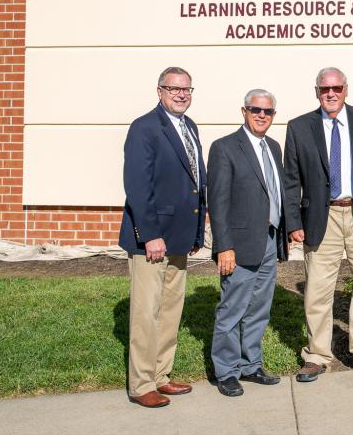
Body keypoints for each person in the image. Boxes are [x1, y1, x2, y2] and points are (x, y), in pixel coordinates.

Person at [282, 67, 353, 381]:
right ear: (317, 91)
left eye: (337, 88)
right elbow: (290, 180)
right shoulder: (300, 127)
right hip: (320, 216)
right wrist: (293, 221)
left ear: (345, 89)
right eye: (325, 89)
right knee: (317, 289)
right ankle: (316, 355)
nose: (331, 93)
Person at [118, 67, 205, 408]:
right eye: (174, 89)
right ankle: (141, 385)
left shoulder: (189, 126)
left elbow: (197, 182)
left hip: (181, 238)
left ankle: (161, 376)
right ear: (160, 91)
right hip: (152, 241)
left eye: (187, 89)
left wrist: (197, 231)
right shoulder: (144, 128)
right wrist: (150, 235)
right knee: (146, 312)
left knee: (170, 311)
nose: (181, 94)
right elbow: (138, 187)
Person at [207, 89, 285, 397]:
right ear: (244, 111)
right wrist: (223, 246)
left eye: (267, 112)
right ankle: (226, 371)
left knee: (259, 308)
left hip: (269, 239)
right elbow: (219, 200)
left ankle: (251, 364)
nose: (262, 115)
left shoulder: (273, 147)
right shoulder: (225, 147)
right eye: (256, 110)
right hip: (238, 244)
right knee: (232, 308)